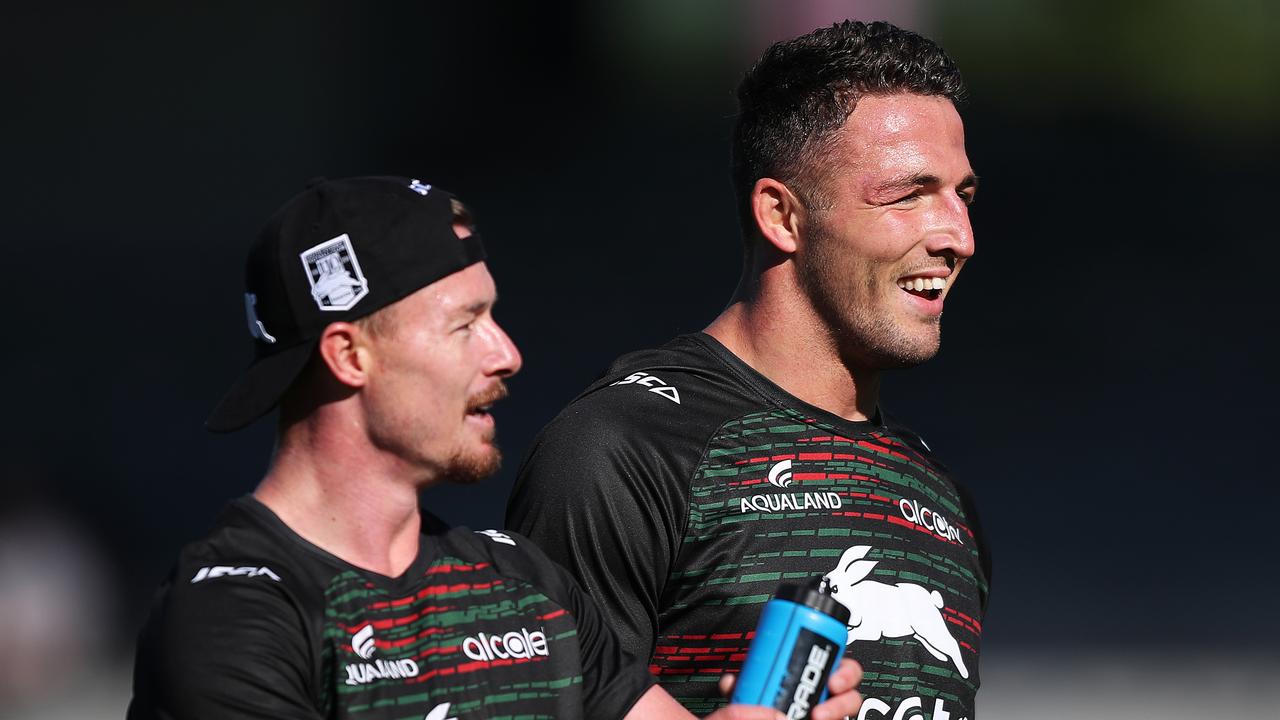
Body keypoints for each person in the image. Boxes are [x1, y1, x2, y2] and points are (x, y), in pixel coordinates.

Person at [126, 176, 862, 720]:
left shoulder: (523, 583)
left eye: (496, 318)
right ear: (350, 356)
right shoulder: (237, 611)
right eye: (464, 323)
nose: (507, 354)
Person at [506, 21, 990, 718]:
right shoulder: (623, 448)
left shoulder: (941, 497)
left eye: (962, 195)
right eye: (908, 194)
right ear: (782, 216)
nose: (958, 237)